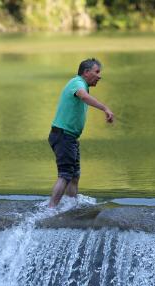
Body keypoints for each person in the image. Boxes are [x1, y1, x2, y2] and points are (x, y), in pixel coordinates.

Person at [48, 58, 114, 207]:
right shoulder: (77, 83)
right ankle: (51, 209)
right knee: (65, 175)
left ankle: (71, 206)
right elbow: (83, 96)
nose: (99, 76)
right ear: (86, 72)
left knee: (74, 176)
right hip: (63, 136)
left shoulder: (80, 84)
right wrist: (105, 108)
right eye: (96, 72)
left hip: (69, 137)